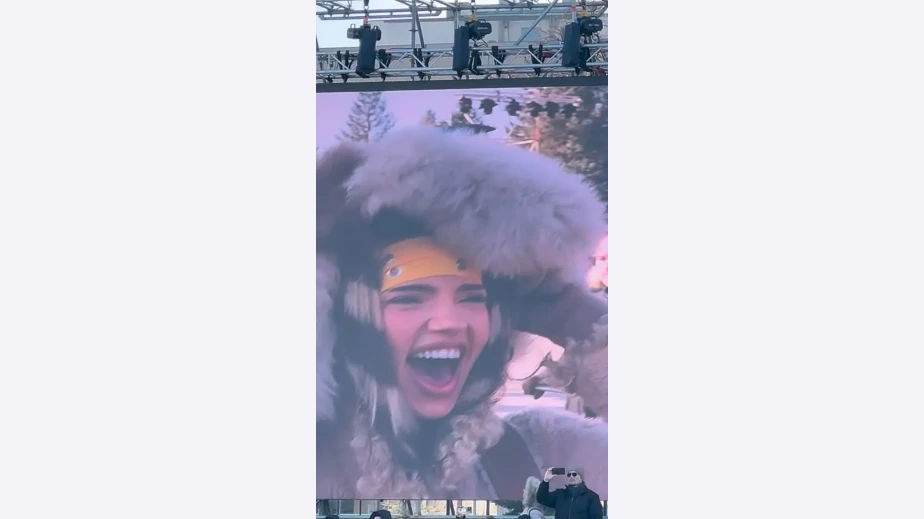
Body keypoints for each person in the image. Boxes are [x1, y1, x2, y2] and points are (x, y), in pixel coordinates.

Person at [315, 127, 609, 499]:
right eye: (410, 298)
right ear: (339, 316)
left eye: (471, 297)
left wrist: (579, 321)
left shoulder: (546, 456)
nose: (451, 322)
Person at [537, 467, 603, 519]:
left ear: (581, 477)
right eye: (569, 475)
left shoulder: (592, 497)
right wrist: (546, 480)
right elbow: (542, 498)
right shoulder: (560, 494)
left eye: (574, 474)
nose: (571, 476)